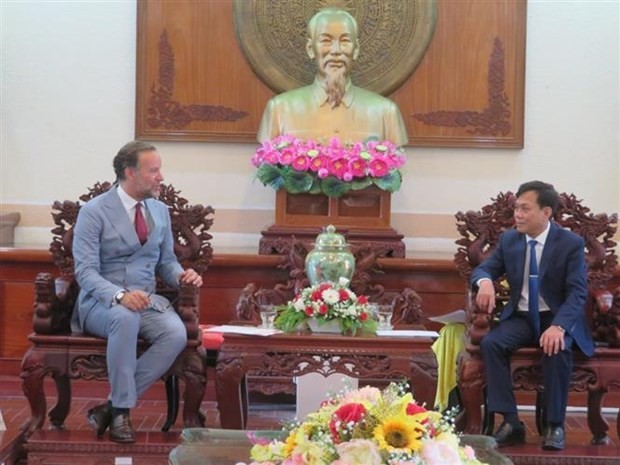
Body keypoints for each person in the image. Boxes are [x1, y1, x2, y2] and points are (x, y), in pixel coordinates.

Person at [71, 140, 203, 443]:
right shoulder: (94, 212)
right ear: (130, 172)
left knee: (176, 334)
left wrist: (183, 275)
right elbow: (85, 272)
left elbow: (166, 261)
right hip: (102, 303)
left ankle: (113, 407)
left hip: (146, 301)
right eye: (153, 170)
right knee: (125, 318)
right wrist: (119, 296)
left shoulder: (159, 210)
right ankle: (122, 416)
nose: (161, 177)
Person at [472, 180, 593, 451]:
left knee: (557, 347)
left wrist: (560, 326)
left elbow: (577, 293)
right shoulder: (510, 239)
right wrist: (485, 282)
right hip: (522, 316)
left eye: (525, 209)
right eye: (516, 208)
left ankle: (554, 425)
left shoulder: (570, 243)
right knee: (492, 344)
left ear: (546, 212)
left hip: (556, 315)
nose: (518, 215)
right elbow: (484, 269)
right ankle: (511, 422)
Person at [257, 7, 408, 146]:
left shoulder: (385, 112)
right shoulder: (279, 109)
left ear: (356, 50)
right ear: (310, 49)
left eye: (344, 41)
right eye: (326, 41)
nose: (336, 51)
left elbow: (393, 170)